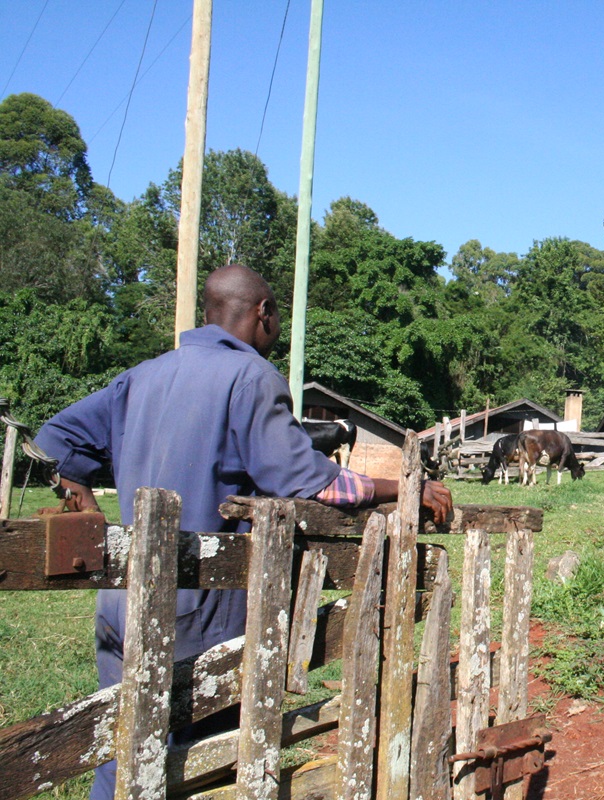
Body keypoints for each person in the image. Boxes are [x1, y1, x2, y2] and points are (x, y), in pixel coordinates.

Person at [34, 264, 453, 800]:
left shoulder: (144, 375)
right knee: (200, 765)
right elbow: (307, 480)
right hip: (197, 611)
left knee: (123, 753)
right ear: (264, 313)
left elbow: (58, 437)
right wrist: (403, 487)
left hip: (119, 602)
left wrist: (84, 504)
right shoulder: (252, 377)